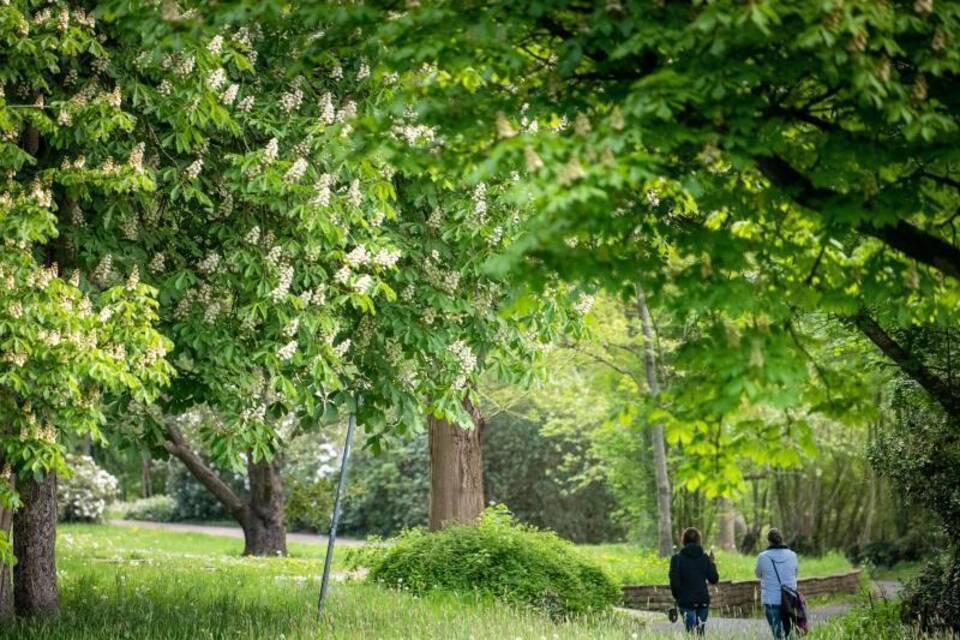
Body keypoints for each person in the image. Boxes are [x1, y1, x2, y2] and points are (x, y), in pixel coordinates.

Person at [669, 527, 720, 636]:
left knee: (691, 633)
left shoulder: (676, 558)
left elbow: (674, 581)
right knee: (700, 633)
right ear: (698, 540)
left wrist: (677, 597)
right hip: (702, 601)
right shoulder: (705, 558)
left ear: (684, 540)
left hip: (685, 601)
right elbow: (714, 579)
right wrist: (712, 563)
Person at [755, 528, 799, 639]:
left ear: (769, 541)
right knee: (790, 632)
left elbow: (758, 574)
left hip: (771, 599)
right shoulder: (792, 555)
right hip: (790, 598)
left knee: (777, 634)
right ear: (781, 540)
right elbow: (795, 572)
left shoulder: (763, 557)